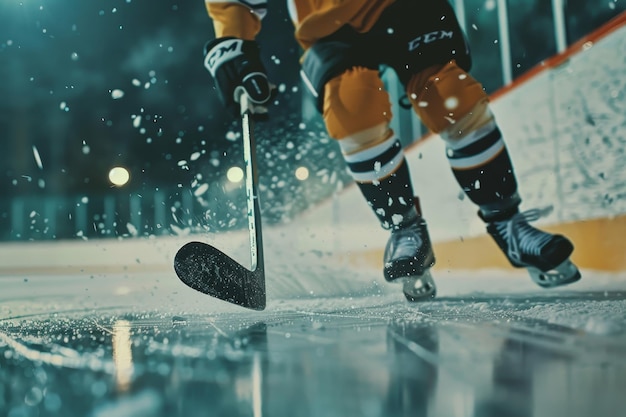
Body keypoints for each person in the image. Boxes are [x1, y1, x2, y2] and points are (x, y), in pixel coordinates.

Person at [201, 0, 581, 301]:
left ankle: (508, 223)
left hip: (408, 5)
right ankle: (404, 228)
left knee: (450, 96)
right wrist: (232, 37)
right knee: (351, 108)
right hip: (329, 25)